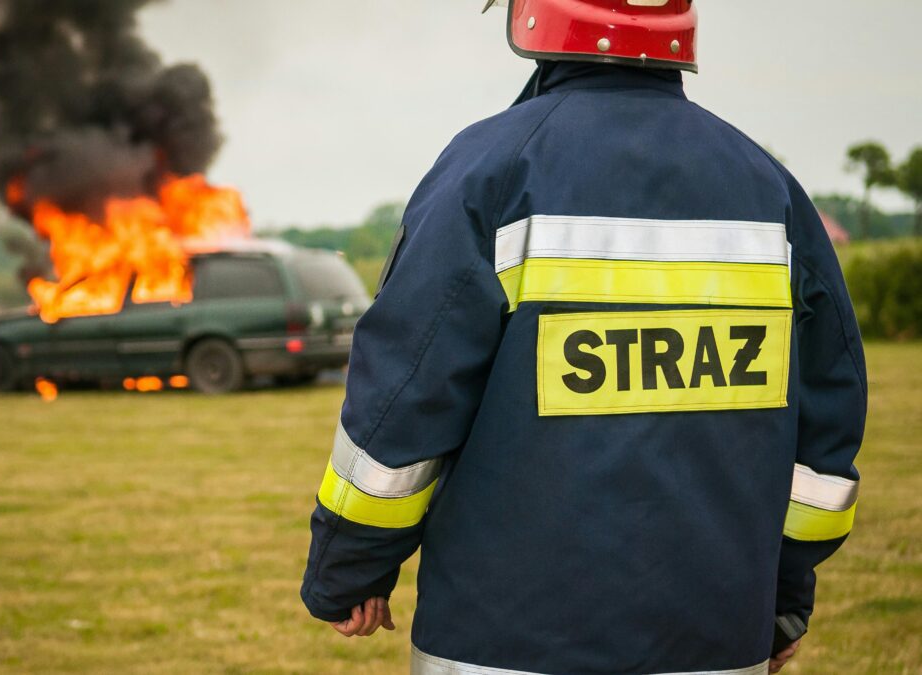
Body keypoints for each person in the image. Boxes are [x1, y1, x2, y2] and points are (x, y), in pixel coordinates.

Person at [300, 1, 867, 673]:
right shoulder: (769, 189)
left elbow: (403, 398)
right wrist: (783, 595)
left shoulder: (492, 171)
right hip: (717, 638)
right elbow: (827, 436)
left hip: (503, 644)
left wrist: (350, 565)